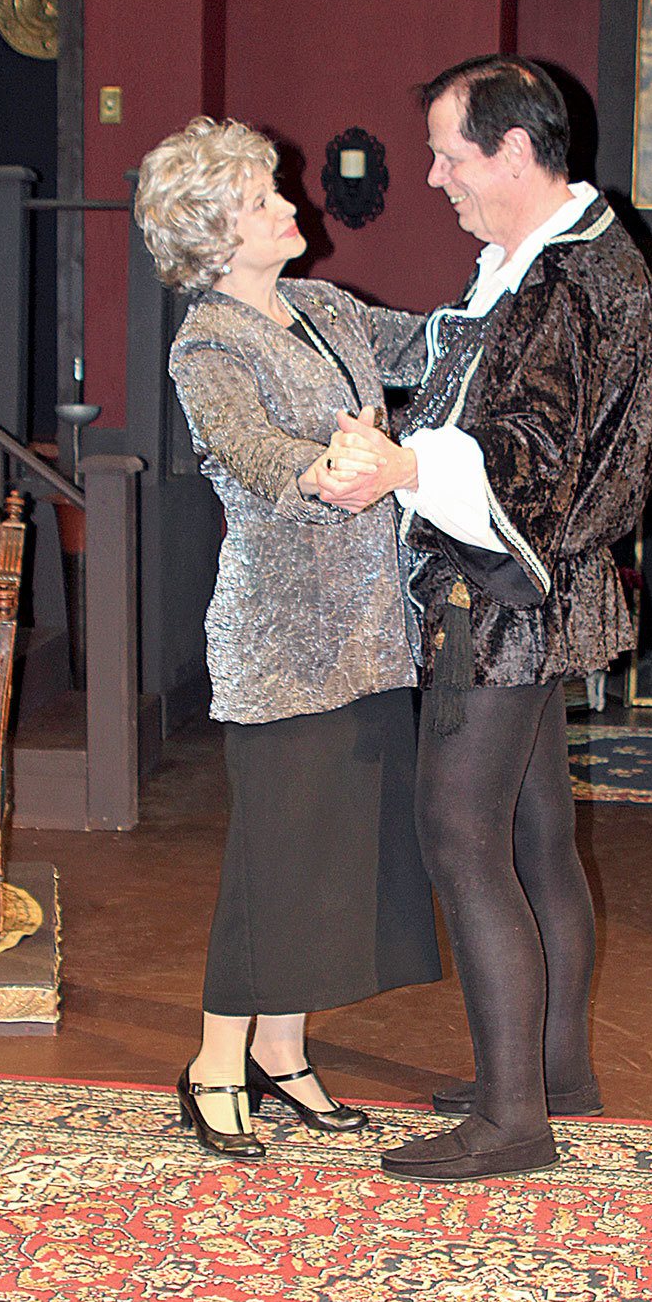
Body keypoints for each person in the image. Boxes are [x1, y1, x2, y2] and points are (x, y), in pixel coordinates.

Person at [323, 56, 652, 1181]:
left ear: (514, 152)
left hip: (504, 594)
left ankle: (512, 1119)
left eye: (449, 156)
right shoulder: (554, 258)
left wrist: (399, 466)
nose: (434, 178)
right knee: (532, 838)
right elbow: (481, 392)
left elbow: (530, 461)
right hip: (540, 587)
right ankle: (551, 1074)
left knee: (461, 838)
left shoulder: (563, 282)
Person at [133, 117, 440, 1162]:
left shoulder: (326, 306)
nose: (288, 207)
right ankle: (214, 1062)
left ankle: (280, 1051)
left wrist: (514, 291)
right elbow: (250, 449)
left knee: (328, 852)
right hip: (279, 638)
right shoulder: (207, 344)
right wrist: (323, 467)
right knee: (273, 854)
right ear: (215, 234)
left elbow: (432, 345)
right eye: (263, 200)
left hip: (370, 631)